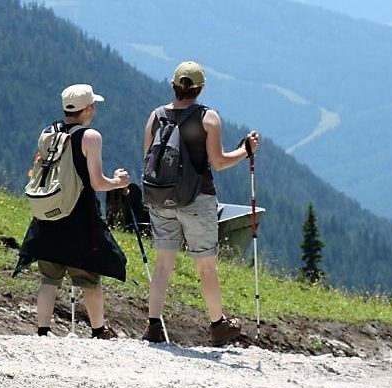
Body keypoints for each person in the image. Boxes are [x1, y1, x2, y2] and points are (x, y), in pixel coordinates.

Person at [141, 61, 259, 345]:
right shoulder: (208, 118)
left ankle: (154, 326)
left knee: (162, 265)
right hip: (197, 198)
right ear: (200, 88)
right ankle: (217, 325)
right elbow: (218, 162)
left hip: (160, 198)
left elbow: (148, 158)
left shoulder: (156, 117)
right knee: (206, 266)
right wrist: (245, 150)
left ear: (173, 86)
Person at [17, 84, 130, 339]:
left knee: (49, 277)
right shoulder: (90, 137)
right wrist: (119, 182)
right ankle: (99, 329)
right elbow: (97, 183)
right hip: (79, 215)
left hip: (49, 212)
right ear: (88, 108)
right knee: (88, 275)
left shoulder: (49, 133)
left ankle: (43, 331)